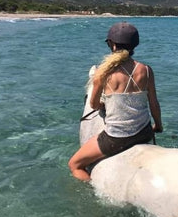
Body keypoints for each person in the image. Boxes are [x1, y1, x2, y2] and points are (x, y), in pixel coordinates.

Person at [68, 21, 163, 181]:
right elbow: (154, 103)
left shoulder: (102, 73)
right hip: (144, 132)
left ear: (112, 45)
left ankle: (93, 193)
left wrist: (104, 105)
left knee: (74, 165)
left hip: (116, 137)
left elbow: (94, 105)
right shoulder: (146, 70)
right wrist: (158, 126)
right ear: (135, 45)